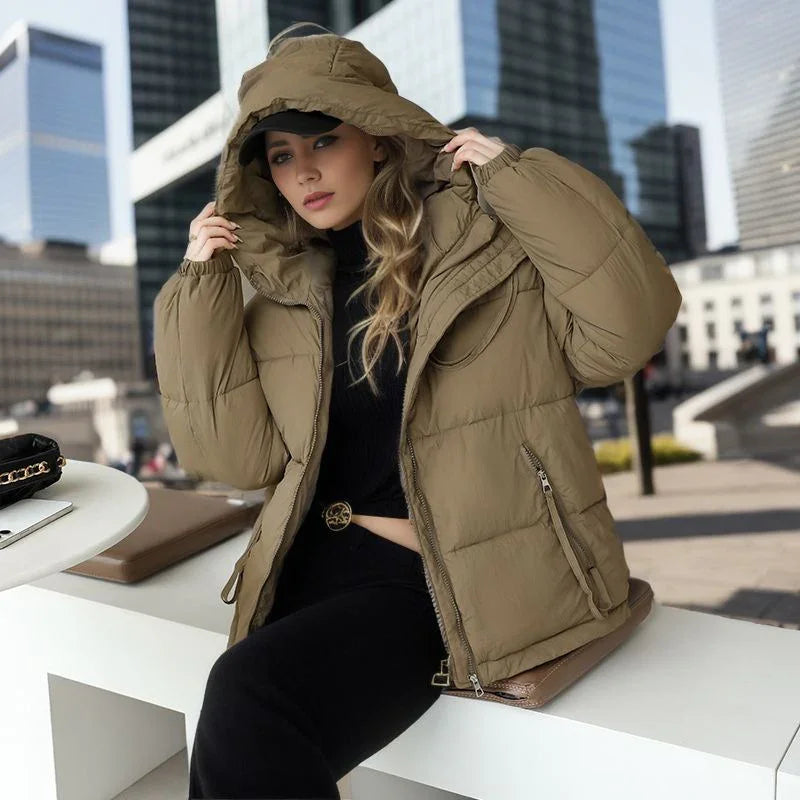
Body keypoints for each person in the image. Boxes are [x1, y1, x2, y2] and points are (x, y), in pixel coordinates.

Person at [152, 22, 682, 800]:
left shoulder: (485, 246)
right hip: (305, 570)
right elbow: (237, 461)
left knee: (247, 700)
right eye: (281, 157)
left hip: (438, 578)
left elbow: (627, 329)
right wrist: (198, 292)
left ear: (374, 135)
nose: (304, 172)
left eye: (322, 141)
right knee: (242, 723)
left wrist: (518, 177)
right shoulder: (282, 293)